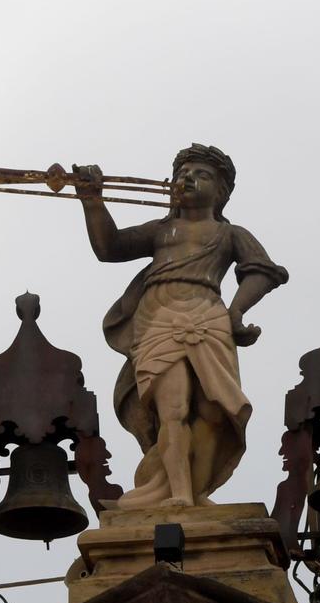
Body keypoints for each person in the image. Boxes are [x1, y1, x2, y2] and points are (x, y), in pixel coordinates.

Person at [73, 145, 287, 507]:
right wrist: (93, 200)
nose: (187, 179)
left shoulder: (228, 234)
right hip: (159, 318)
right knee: (172, 408)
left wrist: (236, 312)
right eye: (182, 174)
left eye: (200, 175)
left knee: (214, 413)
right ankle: (180, 494)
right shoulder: (161, 230)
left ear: (221, 192)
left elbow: (261, 271)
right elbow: (109, 247)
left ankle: (192, 487)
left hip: (208, 318)